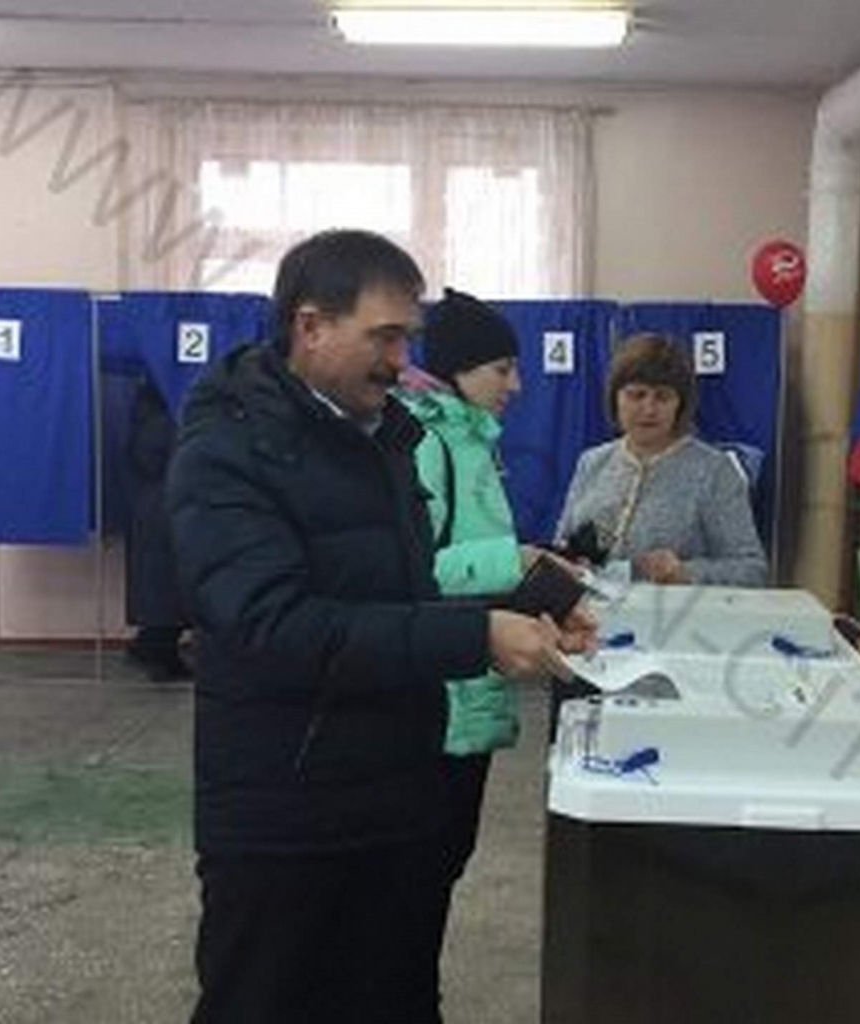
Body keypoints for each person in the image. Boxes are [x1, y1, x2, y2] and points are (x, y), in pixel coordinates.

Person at [166, 230, 593, 1024]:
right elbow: (275, 627)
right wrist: (477, 639)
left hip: (393, 795)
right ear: (310, 325)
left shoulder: (385, 437)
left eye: (408, 338)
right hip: (285, 813)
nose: (402, 361)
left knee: (395, 998)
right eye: (383, 337)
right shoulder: (227, 452)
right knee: (263, 1001)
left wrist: (521, 611)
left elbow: (399, 595)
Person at [397, 288, 551, 974]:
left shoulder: (471, 440)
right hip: (437, 693)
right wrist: (512, 561)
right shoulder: (426, 441)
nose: (515, 386)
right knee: (420, 871)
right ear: (458, 370)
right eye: (502, 369)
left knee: (444, 861)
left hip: (471, 676)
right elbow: (410, 571)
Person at [554, 332, 768, 587]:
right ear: (615, 398)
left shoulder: (714, 471)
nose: (649, 409)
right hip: (588, 608)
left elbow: (752, 570)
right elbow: (561, 549)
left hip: (675, 610)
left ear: (680, 404)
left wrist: (685, 573)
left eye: (663, 397)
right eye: (636, 395)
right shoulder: (591, 462)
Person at [122, 378, 190, 682]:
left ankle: (152, 646)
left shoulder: (154, 397)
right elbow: (150, 451)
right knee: (163, 583)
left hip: (162, 499)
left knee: (162, 585)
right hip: (162, 501)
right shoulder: (160, 407)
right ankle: (157, 652)